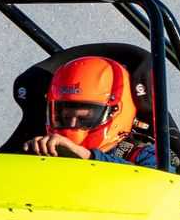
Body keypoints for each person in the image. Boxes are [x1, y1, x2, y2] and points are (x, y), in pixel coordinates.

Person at [26, 55, 157, 167]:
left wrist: (87, 156)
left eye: (84, 119)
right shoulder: (41, 148)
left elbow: (158, 181)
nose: (72, 125)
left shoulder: (144, 155)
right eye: (65, 118)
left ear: (116, 112)